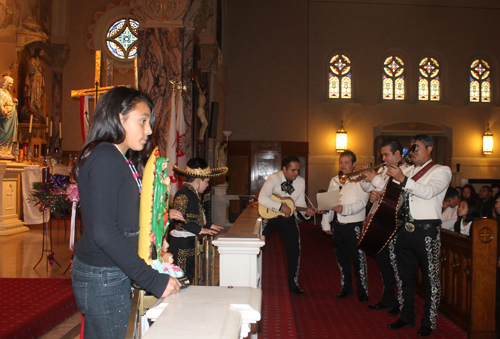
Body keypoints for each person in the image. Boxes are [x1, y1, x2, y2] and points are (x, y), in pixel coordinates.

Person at [71, 87, 182, 339]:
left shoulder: (120, 158)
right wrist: (152, 279)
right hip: (103, 275)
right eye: (142, 120)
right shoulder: (106, 157)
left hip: (110, 272)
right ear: (118, 117)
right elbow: (104, 232)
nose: (149, 130)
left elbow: (127, 221)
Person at [386, 134, 451, 338]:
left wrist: (403, 180)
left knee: (431, 278)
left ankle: (428, 321)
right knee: (405, 278)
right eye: (411, 149)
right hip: (405, 229)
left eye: (418, 148)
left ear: (429, 149)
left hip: (426, 231)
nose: (413, 152)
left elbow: (429, 191)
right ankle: (406, 316)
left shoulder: (441, 170)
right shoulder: (409, 170)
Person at [361, 139, 407, 315]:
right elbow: (370, 189)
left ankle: (400, 302)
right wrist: (372, 192)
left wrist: (375, 179)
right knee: (383, 263)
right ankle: (388, 298)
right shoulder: (382, 170)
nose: (383, 158)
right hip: (381, 221)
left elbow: (396, 192)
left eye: (386, 154)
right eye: (382, 155)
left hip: (395, 225)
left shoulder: (405, 171)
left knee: (396, 266)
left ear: (397, 154)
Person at [259, 155, 315, 295]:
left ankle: (293, 283)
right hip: (271, 216)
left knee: (294, 249)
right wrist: (280, 206)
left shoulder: (300, 182)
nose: (296, 173)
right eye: (293, 170)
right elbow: (262, 198)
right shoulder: (274, 178)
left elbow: (300, 205)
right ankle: (255, 279)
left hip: (288, 218)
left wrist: (307, 213)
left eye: (298, 170)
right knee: (258, 245)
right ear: (284, 169)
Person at [321, 150, 369, 302]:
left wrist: (345, 209)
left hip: (354, 224)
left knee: (358, 259)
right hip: (338, 225)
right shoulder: (334, 180)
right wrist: (325, 222)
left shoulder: (361, 179)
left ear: (354, 164)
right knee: (341, 259)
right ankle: (346, 288)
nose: (343, 165)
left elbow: (361, 203)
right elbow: (328, 203)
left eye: (347, 163)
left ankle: (362, 290)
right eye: (341, 162)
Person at [169, 158, 227, 283]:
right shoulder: (183, 195)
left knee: (190, 276)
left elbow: (195, 216)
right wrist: (200, 229)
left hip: (189, 242)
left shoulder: (192, 194)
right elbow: (178, 222)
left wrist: (210, 225)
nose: (207, 185)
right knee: (182, 278)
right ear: (198, 180)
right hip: (182, 245)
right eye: (206, 181)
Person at [24, 47, 46, 123]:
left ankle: (38, 109)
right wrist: (36, 67)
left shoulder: (41, 61)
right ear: (38, 53)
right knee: (34, 94)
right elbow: (30, 71)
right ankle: (33, 107)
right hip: (34, 80)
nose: (42, 54)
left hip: (39, 80)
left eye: (43, 53)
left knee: (39, 95)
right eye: (41, 52)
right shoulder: (32, 60)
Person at [0, 76, 18, 158]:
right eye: (10, 83)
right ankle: (1, 148)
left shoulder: (7, 93)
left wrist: (14, 102)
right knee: (4, 132)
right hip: (5, 117)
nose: (10, 85)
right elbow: (0, 105)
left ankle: (7, 150)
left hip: (11, 116)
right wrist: (5, 113)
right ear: (5, 82)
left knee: (10, 133)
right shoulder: (1, 92)